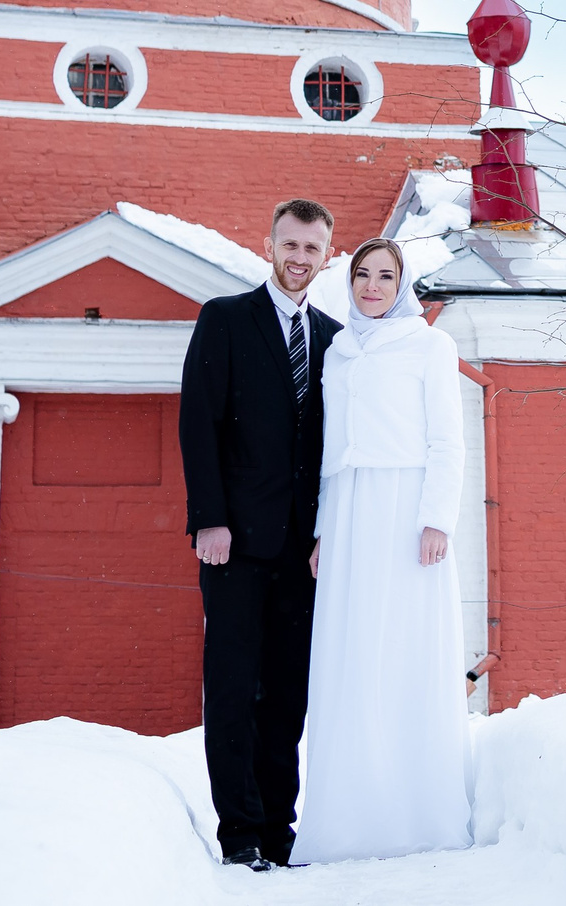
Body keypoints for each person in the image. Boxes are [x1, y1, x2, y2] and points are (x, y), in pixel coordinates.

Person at [291, 239, 472, 863]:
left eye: (385, 276)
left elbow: (449, 439)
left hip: (404, 507)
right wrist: (320, 528)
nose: (372, 285)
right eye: (362, 274)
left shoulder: (429, 345)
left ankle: (414, 812)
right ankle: (349, 821)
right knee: (350, 654)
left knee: (403, 650)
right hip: (347, 510)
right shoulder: (337, 349)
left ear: (403, 283)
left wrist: (436, 520)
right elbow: (326, 451)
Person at [177, 198, 340, 871]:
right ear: (268, 245)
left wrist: (331, 531)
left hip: (304, 553)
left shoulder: (335, 337)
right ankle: (240, 832)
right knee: (236, 687)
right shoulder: (225, 321)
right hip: (235, 543)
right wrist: (209, 518)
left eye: (312, 249)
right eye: (291, 245)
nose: (300, 259)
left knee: (287, 696)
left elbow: (338, 446)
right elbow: (198, 423)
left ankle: (279, 831)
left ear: (327, 255)